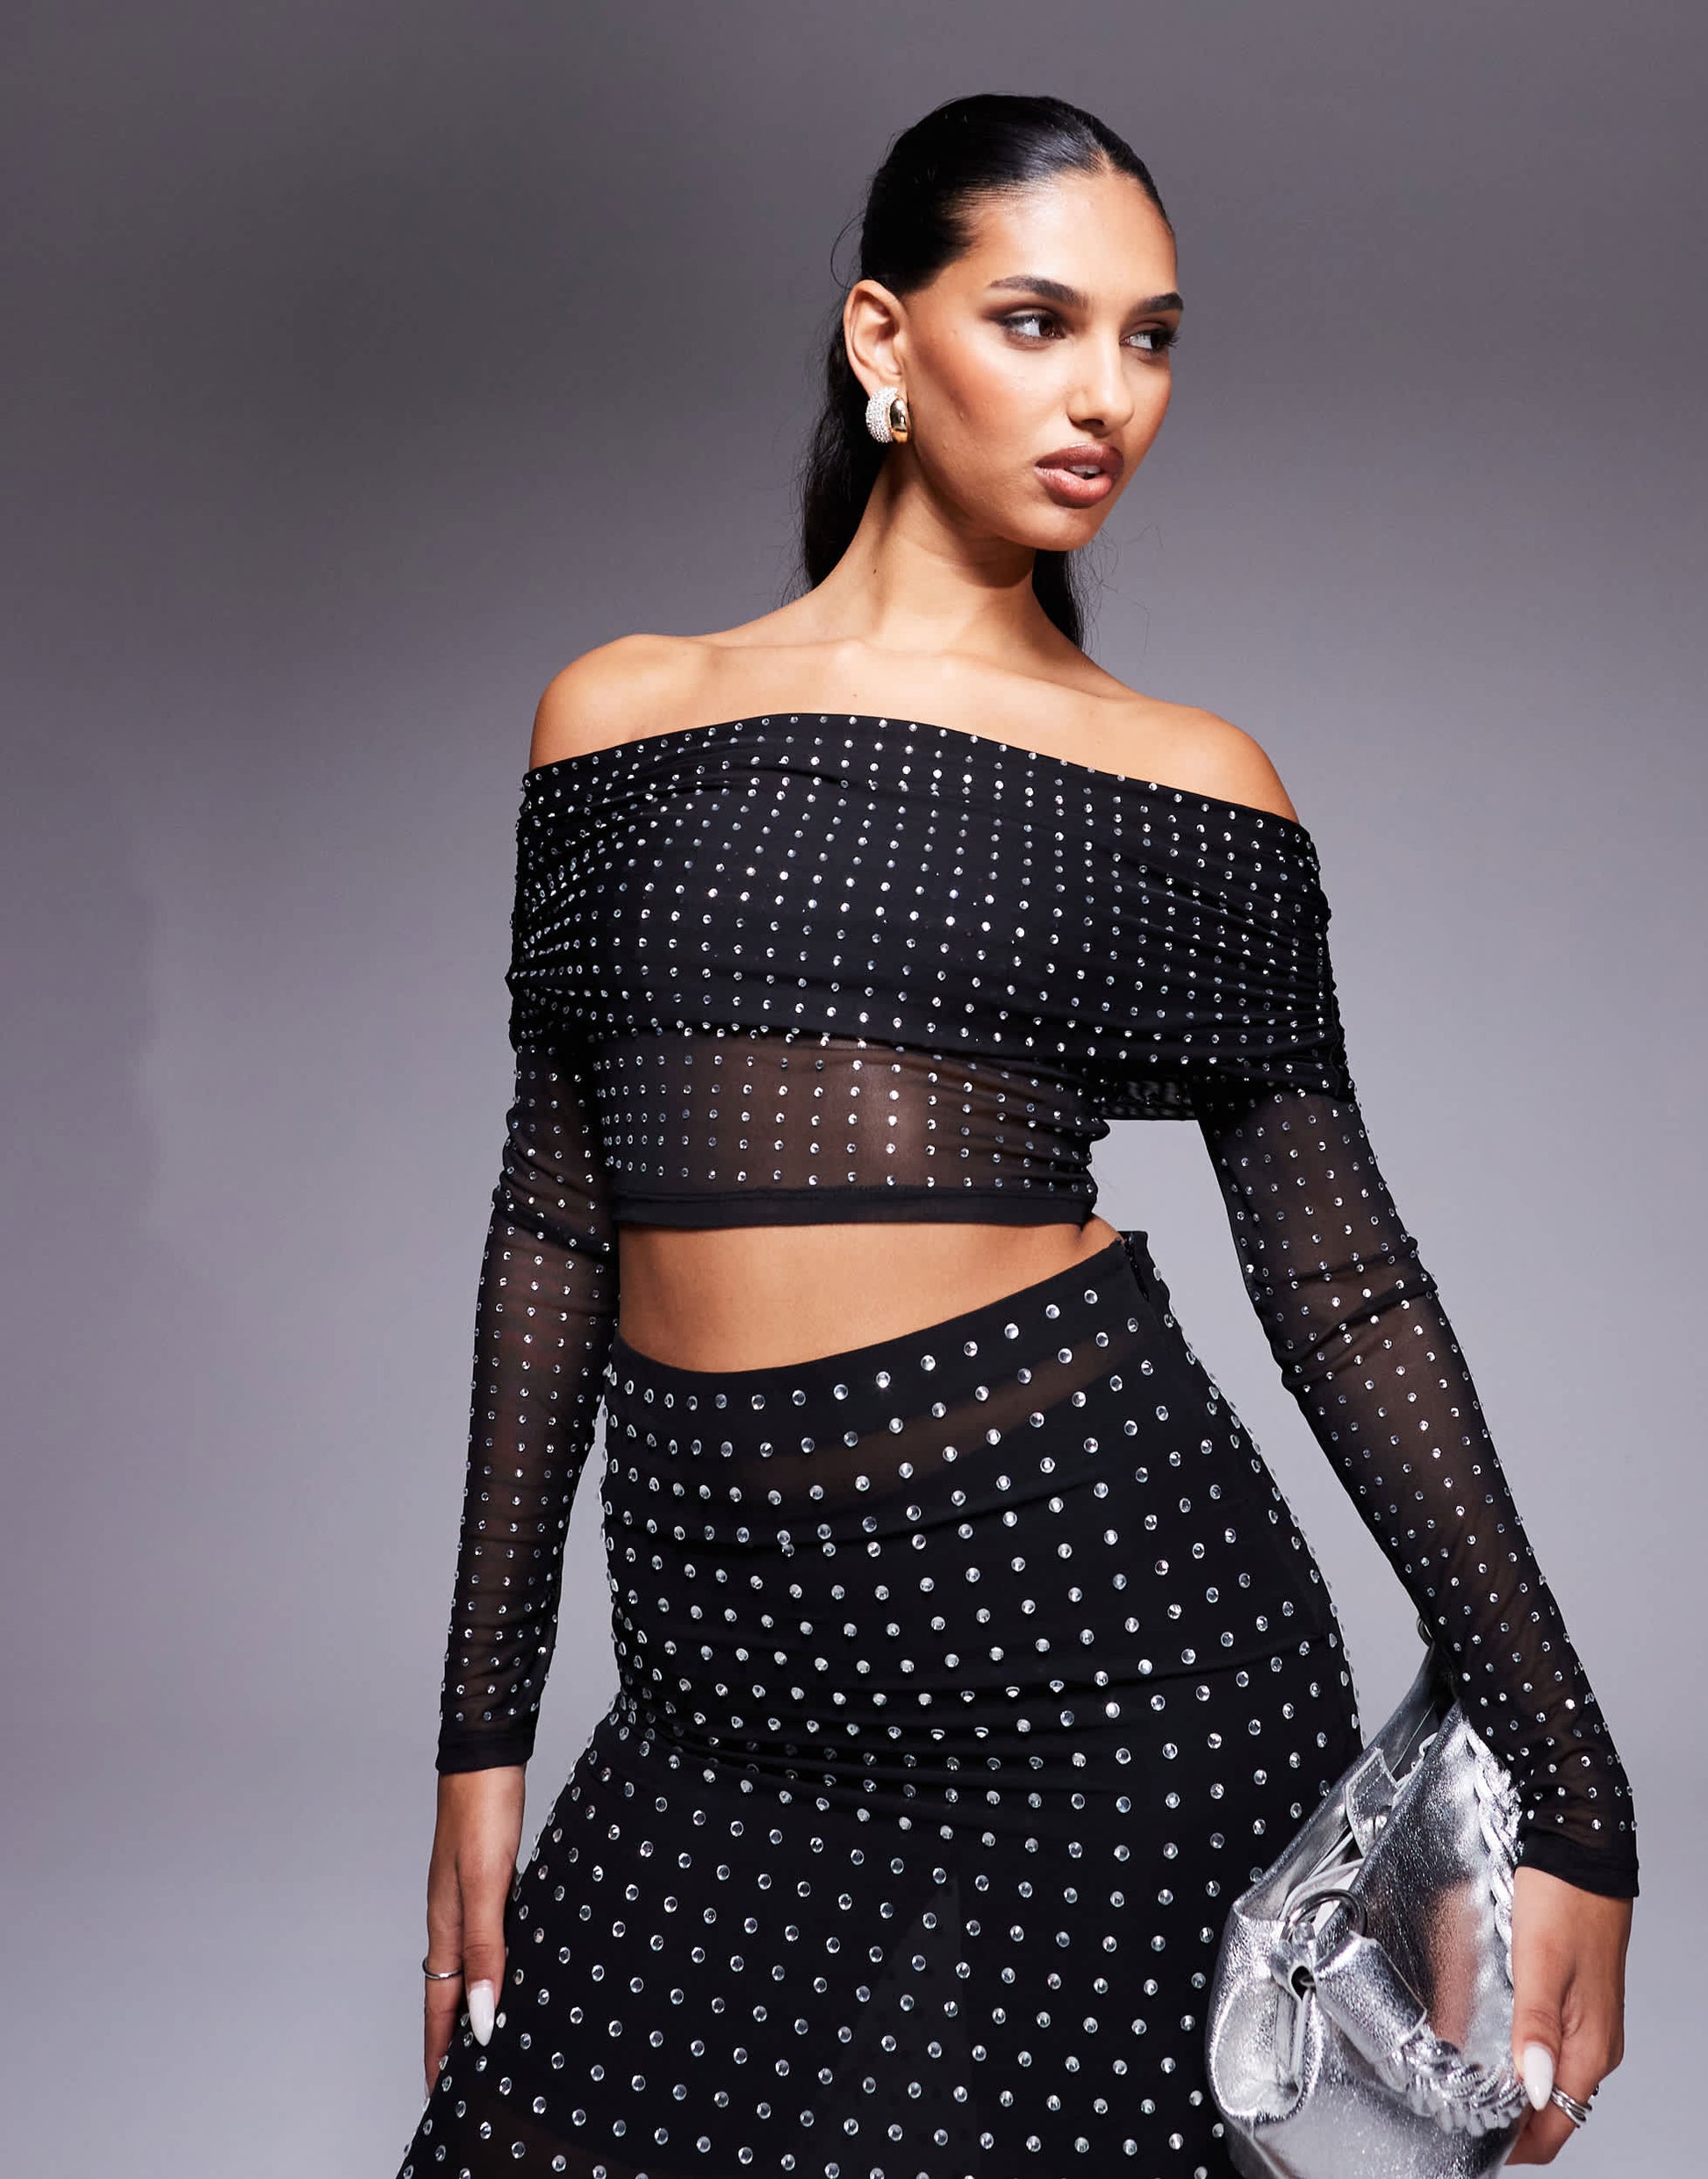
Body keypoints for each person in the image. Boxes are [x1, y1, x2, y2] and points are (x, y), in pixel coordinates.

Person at [398, 93, 1636, 2179]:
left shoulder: (1186, 783)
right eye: (1039, 322)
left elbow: (1342, 1286)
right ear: (884, 340)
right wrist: (480, 1733)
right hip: (714, 1699)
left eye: (1149, 340)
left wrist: (1573, 1785)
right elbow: (553, 1224)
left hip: (1098, 1669)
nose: (1105, 395)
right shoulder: (614, 717)